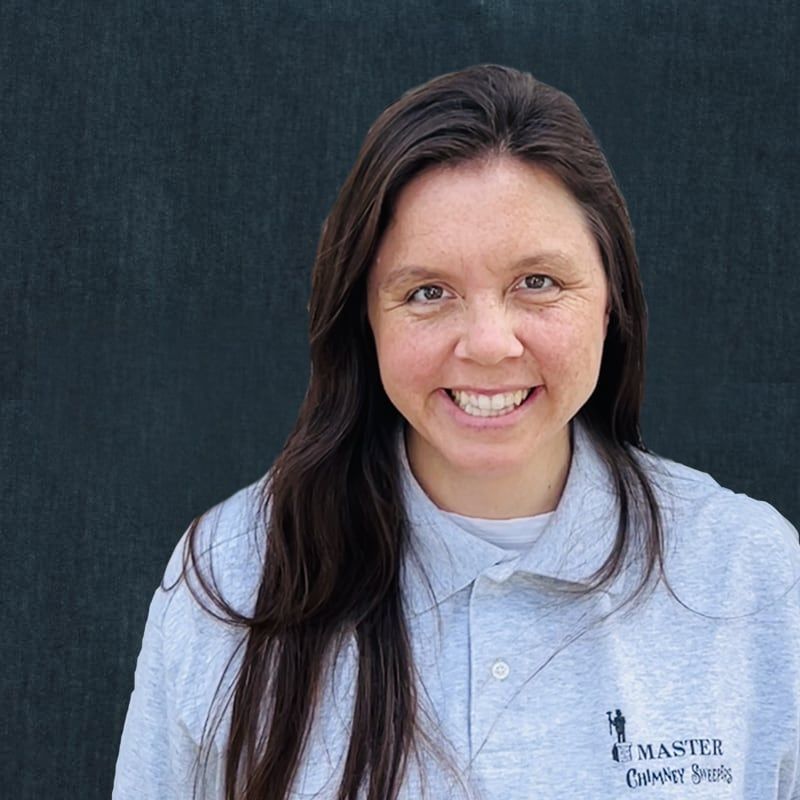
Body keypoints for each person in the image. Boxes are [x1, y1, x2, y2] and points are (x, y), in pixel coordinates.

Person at [112, 64, 800, 800]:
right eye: (428, 292)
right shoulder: (234, 576)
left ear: (610, 301)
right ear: (364, 320)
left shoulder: (751, 574)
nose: (488, 344)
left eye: (537, 282)